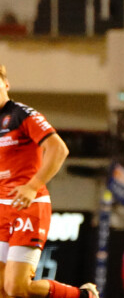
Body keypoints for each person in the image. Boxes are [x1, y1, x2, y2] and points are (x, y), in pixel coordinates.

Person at [0, 65, 99, 298]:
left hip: (29, 207)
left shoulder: (21, 115)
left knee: (17, 288)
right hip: (2, 209)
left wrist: (32, 185)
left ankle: (84, 296)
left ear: (6, 84)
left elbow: (58, 149)